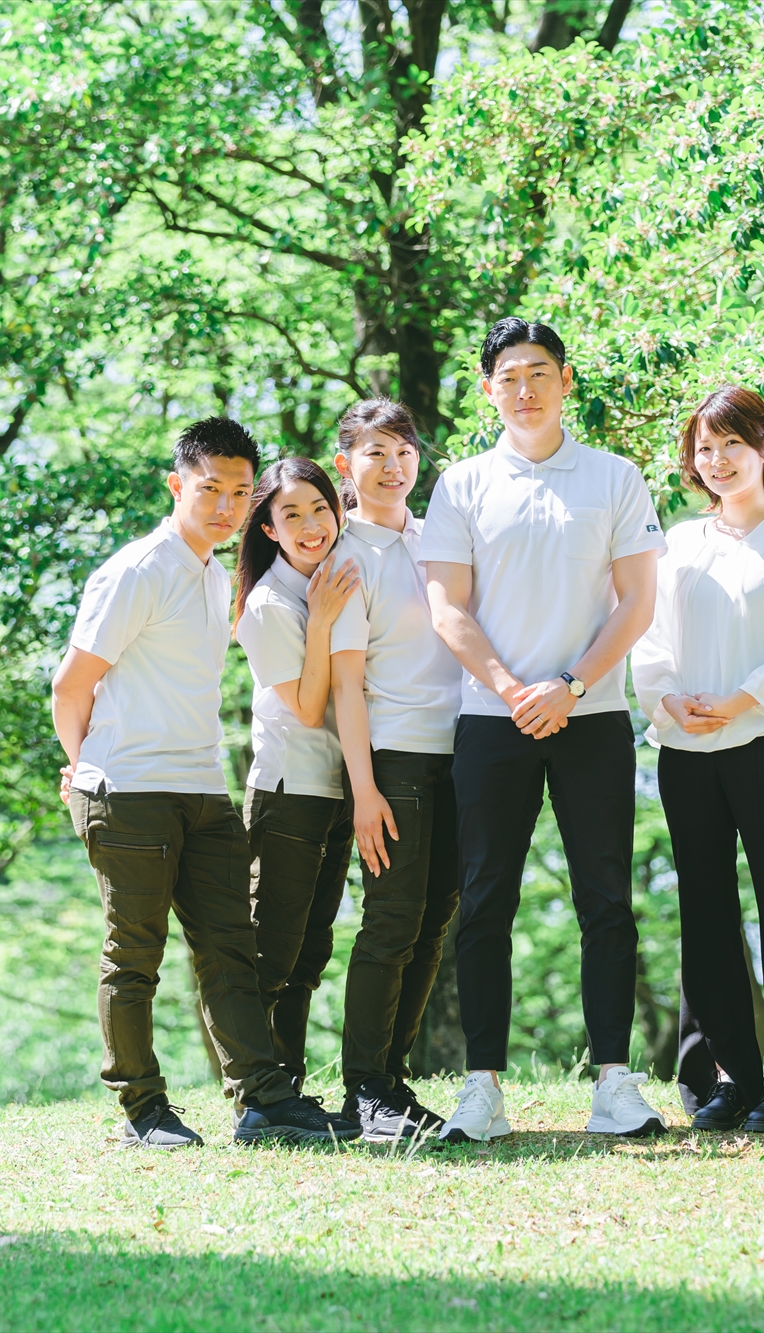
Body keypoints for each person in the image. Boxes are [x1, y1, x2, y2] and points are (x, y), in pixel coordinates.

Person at [51, 417, 360, 1147]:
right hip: (128, 791)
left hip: (202, 789)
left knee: (232, 948)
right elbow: (70, 685)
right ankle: (143, 1109)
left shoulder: (216, 575)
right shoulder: (138, 570)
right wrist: (85, 768)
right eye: (210, 489)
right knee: (135, 955)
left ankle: (264, 1100)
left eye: (239, 493)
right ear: (176, 485)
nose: (225, 506)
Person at [420, 317, 670, 1143]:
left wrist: (570, 685)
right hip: (491, 721)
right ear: (487, 388)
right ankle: (482, 1088)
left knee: (606, 899)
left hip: (591, 716)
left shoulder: (614, 477)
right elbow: (447, 607)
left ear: (566, 381)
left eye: (539, 372)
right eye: (508, 376)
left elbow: (638, 601)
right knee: (485, 899)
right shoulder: (461, 484)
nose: (524, 389)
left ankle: (614, 1083)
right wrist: (511, 689)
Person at [631, 386, 764, 1134]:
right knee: (705, 910)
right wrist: (667, 699)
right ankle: (725, 1077)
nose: (717, 459)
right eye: (704, 447)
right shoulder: (680, 542)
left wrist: (744, 700)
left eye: (732, 443)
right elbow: (650, 635)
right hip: (686, 746)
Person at [327, 400, 465, 1142]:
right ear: (345, 464)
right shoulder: (345, 553)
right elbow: (346, 685)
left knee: (433, 921)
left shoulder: (435, 535)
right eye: (375, 452)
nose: (393, 465)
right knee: (391, 921)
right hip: (396, 758)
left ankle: (392, 1078)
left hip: (460, 751)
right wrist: (364, 791)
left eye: (404, 451)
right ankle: (365, 1088)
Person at [233, 457, 360, 1102]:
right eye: (291, 515)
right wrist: (322, 621)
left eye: (320, 509)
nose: (312, 526)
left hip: (338, 788)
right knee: (272, 950)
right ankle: (255, 1091)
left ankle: (289, 1087)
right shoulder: (267, 604)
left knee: (310, 952)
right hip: (289, 793)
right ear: (268, 529)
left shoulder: (336, 575)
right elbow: (309, 709)